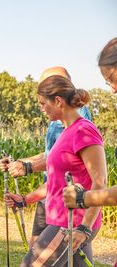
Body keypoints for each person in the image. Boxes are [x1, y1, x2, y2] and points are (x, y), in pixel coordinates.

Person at [5, 75, 107, 266]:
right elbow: (55, 182)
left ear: (58, 101)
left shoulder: (83, 131)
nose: (42, 108)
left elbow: (100, 181)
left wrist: (84, 228)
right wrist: (26, 199)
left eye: (43, 103)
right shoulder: (66, 132)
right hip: (66, 222)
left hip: (72, 223)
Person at [0, 66, 92, 247]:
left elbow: (67, 165)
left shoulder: (74, 123)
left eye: (43, 100)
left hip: (64, 204)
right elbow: (52, 155)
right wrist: (20, 163)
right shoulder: (59, 121)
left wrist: (26, 167)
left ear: (58, 96)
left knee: (36, 257)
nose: (40, 105)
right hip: (51, 194)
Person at [63, 37, 117, 209]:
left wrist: (83, 199)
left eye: (111, 78)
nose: (113, 89)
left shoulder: (83, 126)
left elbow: (99, 180)